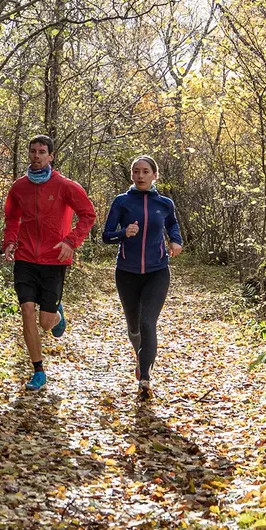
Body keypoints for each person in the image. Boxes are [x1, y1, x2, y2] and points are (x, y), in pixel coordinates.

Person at [0, 135, 96, 391]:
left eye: (42, 151)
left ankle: (57, 312)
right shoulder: (19, 187)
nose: (37, 156)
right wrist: (9, 242)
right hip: (25, 258)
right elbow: (12, 218)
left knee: (46, 323)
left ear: (51, 156)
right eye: (33, 151)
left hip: (54, 259)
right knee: (26, 310)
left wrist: (71, 242)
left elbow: (88, 215)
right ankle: (38, 371)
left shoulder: (65, 186)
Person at [101, 155, 183, 397]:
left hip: (157, 271)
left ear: (154, 175)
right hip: (127, 272)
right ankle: (141, 357)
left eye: (145, 171)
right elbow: (106, 236)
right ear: (131, 175)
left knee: (148, 323)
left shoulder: (165, 203)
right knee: (134, 326)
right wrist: (123, 233)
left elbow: (172, 225)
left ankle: (145, 377)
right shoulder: (122, 202)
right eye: (136, 171)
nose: (140, 175)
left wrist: (176, 240)